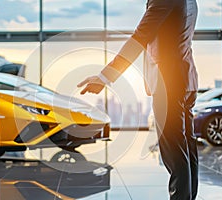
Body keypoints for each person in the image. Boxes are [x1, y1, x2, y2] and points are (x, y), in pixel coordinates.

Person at [77, 0, 199, 199]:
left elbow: (139, 37)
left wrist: (105, 76)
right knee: (186, 147)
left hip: (168, 82)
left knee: (174, 152)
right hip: (187, 78)